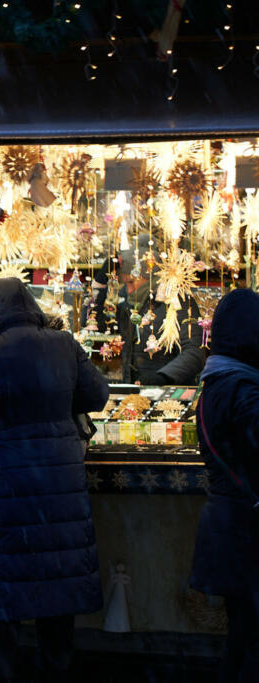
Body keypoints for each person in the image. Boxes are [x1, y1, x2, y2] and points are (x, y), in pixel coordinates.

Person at [0, 278, 109, 681]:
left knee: (4, 590)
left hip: (6, 485)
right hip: (58, 484)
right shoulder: (64, 344)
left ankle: (3, 671)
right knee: (56, 586)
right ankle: (56, 668)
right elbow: (97, 396)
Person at [190, 288, 259, 683]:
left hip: (230, 528)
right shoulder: (241, 387)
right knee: (252, 640)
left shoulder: (220, 380)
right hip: (245, 533)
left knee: (243, 636)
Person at [94, 241, 204, 385]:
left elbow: (194, 353)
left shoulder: (178, 301)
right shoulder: (126, 301)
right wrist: (100, 283)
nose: (129, 290)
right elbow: (93, 323)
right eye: (125, 283)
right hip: (135, 392)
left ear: (150, 278)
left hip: (169, 394)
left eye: (132, 282)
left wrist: (163, 377)